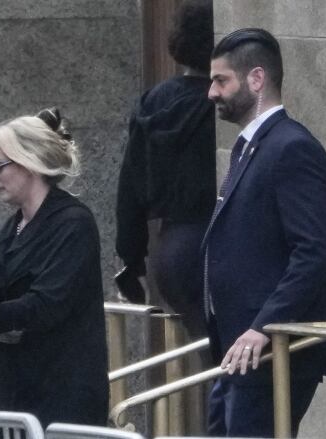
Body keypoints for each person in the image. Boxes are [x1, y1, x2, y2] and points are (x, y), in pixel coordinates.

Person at [202, 28, 326, 437]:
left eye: (221, 80)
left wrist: (263, 327)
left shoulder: (292, 147)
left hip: (273, 351)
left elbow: (312, 253)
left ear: (256, 79)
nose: (211, 92)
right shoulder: (252, 146)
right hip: (240, 349)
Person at [0, 108, 109, 426]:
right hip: (17, 390)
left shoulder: (73, 223)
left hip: (64, 393)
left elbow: (48, 304)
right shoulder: (12, 227)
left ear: (29, 162)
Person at [115, 0, 215, 341]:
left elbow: (129, 187)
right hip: (209, 242)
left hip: (168, 247)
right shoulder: (219, 107)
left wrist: (132, 259)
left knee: (209, 356)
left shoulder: (151, 102)